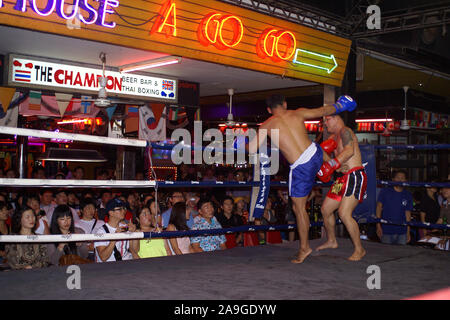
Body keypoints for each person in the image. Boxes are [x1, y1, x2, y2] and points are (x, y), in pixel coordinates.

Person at [249, 94, 356, 263]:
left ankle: (304, 248)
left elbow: (251, 149)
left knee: (298, 208)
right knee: (316, 148)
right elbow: (323, 111)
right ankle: (336, 165)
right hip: (315, 153)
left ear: (269, 110)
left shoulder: (267, 125)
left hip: (301, 166)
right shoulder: (297, 113)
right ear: (285, 103)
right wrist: (340, 106)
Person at [316, 113, 367, 261]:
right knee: (325, 209)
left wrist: (333, 164)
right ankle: (332, 240)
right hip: (342, 178)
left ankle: (360, 249)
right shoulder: (333, 138)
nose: (325, 124)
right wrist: (336, 166)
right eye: (324, 121)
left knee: (344, 213)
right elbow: (321, 152)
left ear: (337, 118)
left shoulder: (346, 131)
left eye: (327, 120)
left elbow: (349, 150)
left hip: (354, 175)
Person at [375, 170, 413, 245]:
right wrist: (378, 226)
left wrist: (408, 231)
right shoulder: (385, 191)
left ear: (405, 180)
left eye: (402, 178)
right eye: (398, 177)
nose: (400, 180)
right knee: (386, 255)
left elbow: (408, 213)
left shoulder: (408, 194)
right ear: (393, 179)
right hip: (386, 230)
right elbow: (378, 208)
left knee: (401, 255)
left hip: (402, 231)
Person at [94, 198, 135, 262]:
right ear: (111, 213)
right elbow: (103, 257)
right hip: (109, 267)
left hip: (127, 263)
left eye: (124, 208)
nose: (123, 211)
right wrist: (114, 238)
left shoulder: (125, 227)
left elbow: (134, 250)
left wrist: (134, 233)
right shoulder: (101, 231)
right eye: (119, 209)